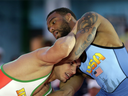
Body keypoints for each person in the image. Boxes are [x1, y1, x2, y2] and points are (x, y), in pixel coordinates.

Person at [46, 7, 128, 96]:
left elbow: (74, 54)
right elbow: (65, 92)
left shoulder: (90, 18)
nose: (51, 29)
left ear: (68, 17)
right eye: (49, 29)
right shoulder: (74, 65)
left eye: (53, 22)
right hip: (107, 92)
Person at [0, 31, 82, 96]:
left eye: (77, 67)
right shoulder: (33, 62)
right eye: (71, 64)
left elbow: (68, 91)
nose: (74, 71)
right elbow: (63, 49)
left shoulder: (47, 91)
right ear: (59, 59)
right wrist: (75, 30)